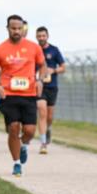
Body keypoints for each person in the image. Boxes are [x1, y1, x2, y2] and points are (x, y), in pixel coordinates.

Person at [0, 15, 47, 177]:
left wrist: (40, 80)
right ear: (7, 28)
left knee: (29, 130)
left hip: (29, 94)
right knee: (13, 128)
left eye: (19, 28)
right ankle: (17, 163)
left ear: (23, 29)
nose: (17, 31)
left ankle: (24, 145)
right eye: (13, 28)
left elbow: (43, 66)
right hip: (9, 94)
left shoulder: (34, 47)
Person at [34, 26, 65, 154]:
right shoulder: (33, 49)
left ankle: (48, 128)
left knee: (49, 116)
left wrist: (54, 70)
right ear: (36, 37)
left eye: (43, 36)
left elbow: (63, 67)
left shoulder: (54, 50)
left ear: (47, 36)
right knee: (42, 112)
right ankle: (43, 143)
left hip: (52, 86)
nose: (41, 38)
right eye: (39, 36)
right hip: (38, 86)